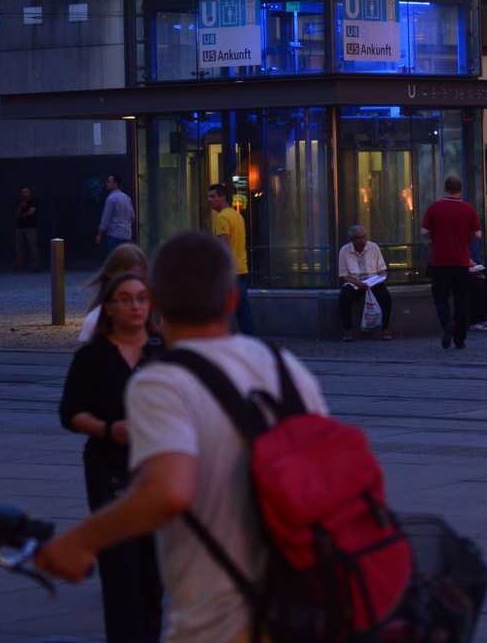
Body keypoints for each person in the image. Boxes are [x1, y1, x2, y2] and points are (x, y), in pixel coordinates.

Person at [36, 231, 330, 643]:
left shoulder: (163, 381)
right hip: (304, 605)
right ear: (231, 299)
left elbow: (167, 491)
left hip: (219, 619)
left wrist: (80, 541)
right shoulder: (287, 370)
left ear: (156, 301)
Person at [58, 268, 164, 643]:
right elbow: (70, 412)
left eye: (142, 298)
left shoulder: (162, 352)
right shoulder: (94, 357)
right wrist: (108, 429)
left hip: (156, 473)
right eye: (126, 299)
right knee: (121, 566)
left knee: (152, 570)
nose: (135, 306)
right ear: (109, 308)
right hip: (109, 470)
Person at [421, 175, 482, 350]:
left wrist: (437, 236)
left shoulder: (435, 207)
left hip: (439, 260)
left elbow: (425, 231)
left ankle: (447, 322)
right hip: (461, 261)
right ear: (460, 190)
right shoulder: (469, 209)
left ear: (445, 188)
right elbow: (477, 234)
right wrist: (464, 238)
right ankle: (460, 339)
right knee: (462, 298)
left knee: (440, 296)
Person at [205, 184, 254, 336]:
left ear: (223, 197)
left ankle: (214, 335)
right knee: (241, 307)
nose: (209, 200)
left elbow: (224, 243)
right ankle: (250, 337)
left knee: (216, 305)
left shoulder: (222, 217)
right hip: (241, 268)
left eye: (213, 196)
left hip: (229, 270)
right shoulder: (236, 215)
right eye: (208, 196)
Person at [79, 243, 151, 344]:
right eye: (124, 278)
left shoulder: (155, 318)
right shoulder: (94, 321)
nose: (135, 306)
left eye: (138, 279)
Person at [338, 225, 391, 342]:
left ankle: (385, 329)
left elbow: (380, 268)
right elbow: (344, 275)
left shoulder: (373, 247)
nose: (363, 241)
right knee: (344, 298)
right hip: (354, 283)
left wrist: (382, 273)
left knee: (386, 297)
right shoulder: (344, 251)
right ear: (352, 239)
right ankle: (347, 330)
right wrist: (357, 283)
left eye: (364, 237)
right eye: (359, 238)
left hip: (373, 282)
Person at [97, 175, 135, 256]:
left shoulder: (111, 198)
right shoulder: (127, 198)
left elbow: (105, 218)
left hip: (115, 234)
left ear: (115, 184)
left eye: (109, 181)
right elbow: (132, 216)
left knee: (115, 260)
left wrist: (99, 235)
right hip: (127, 234)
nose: (107, 183)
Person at [15, 186, 41, 272]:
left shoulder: (33, 201)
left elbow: (31, 212)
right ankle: (19, 266)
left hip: (30, 227)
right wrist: (20, 207)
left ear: (29, 192)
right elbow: (15, 214)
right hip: (20, 227)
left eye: (26, 192)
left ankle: (35, 265)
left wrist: (21, 215)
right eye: (23, 192)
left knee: (32, 247)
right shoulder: (20, 202)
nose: (24, 194)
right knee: (19, 248)